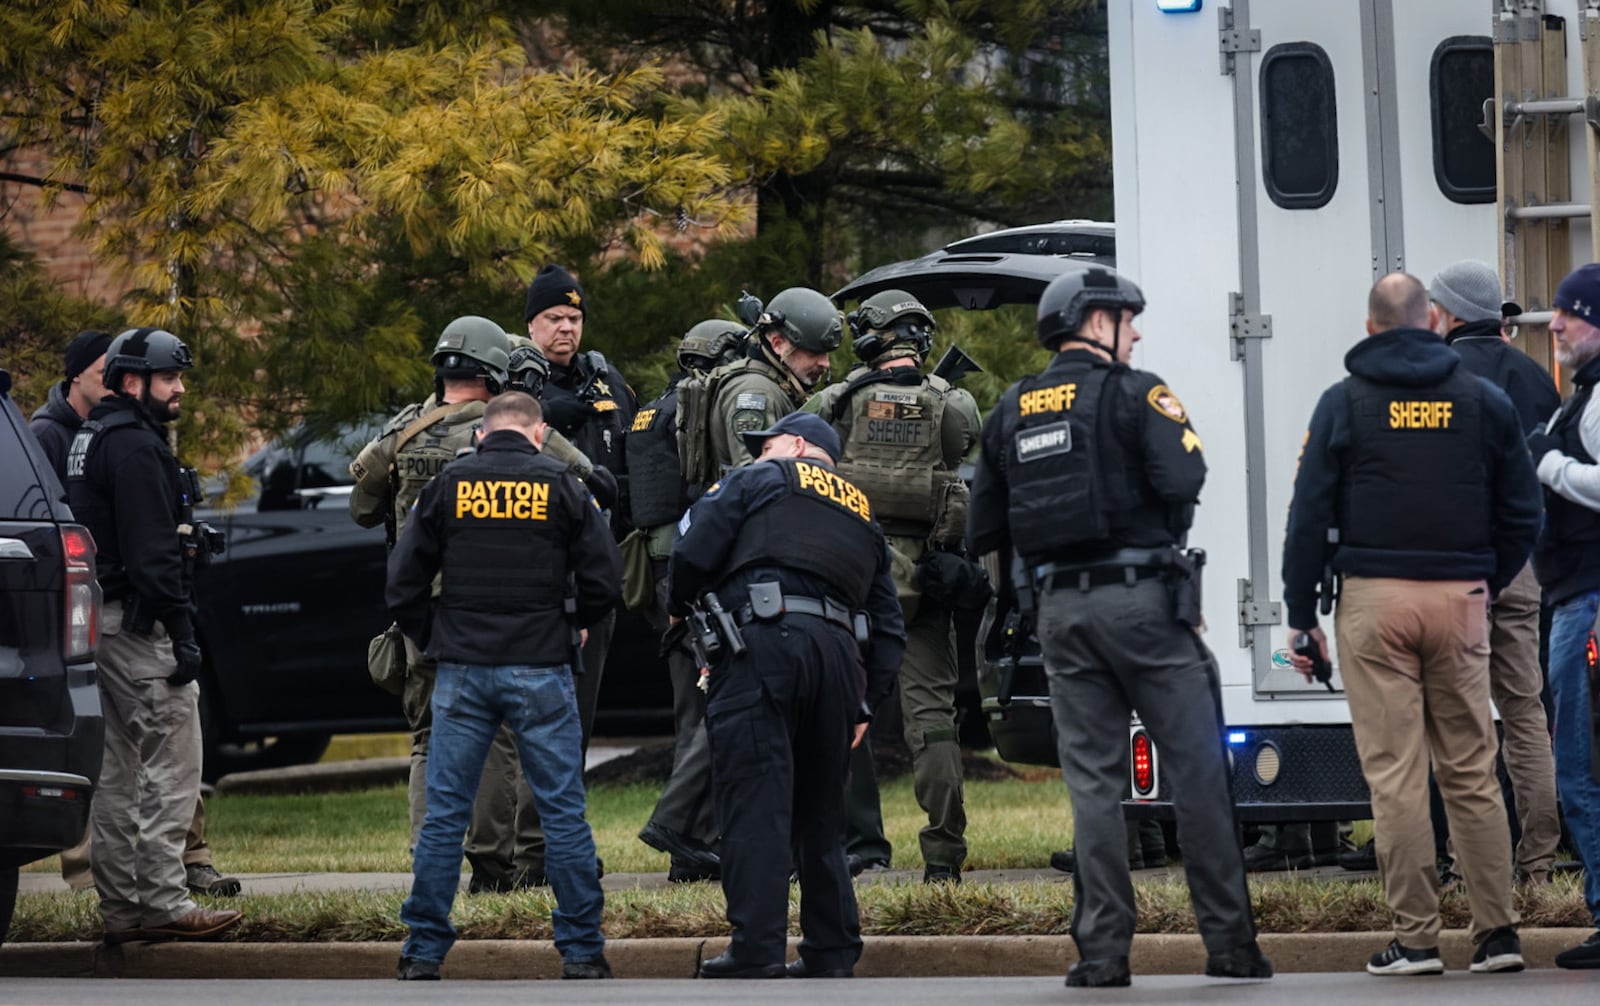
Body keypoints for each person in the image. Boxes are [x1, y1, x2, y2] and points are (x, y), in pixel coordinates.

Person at [967, 263, 1270, 987]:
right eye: (1127, 319)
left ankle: (1102, 954)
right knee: (1197, 771)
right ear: (1096, 323)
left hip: (1062, 616)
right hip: (1144, 605)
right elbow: (1186, 479)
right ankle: (1228, 946)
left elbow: (986, 527)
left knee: (1094, 787)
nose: (1136, 332)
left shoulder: (1011, 408)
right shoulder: (1139, 393)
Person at [1284, 272, 1539, 976]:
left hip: (1374, 601)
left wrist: (1302, 617)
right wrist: (1482, 577)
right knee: (1471, 769)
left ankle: (1417, 941)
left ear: (1370, 329)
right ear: (1432, 321)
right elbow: (1525, 512)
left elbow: (1307, 519)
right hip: (1459, 598)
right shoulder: (1483, 401)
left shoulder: (1344, 404)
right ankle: (1497, 936)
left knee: (1396, 775)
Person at [387, 391, 620, 981]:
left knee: (445, 816)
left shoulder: (448, 484)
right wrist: (574, 627)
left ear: (483, 435)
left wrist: (435, 636)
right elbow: (604, 578)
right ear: (539, 434)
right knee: (563, 812)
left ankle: (422, 953)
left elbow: (403, 580)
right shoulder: (563, 484)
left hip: (462, 666)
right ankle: (583, 952)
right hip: (541, 665)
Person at [668, 411, 906, 979]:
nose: (757, 453)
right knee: (822, 814)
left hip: (763, 647)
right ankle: (830, 950)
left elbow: (693, 550)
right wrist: (865, 702)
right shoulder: (861, 511)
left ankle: (756, 950)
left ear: (796, 445)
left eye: (765, 443)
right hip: (839, 662)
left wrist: (678, 607)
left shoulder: (760, 479)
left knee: (754, 802)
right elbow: (889, 624)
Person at [32, 329, 241, 897]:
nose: (180, 390)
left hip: (102, 622)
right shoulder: (131, 445)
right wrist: (182, 630)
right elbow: (151, 555)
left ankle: (122, 904)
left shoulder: (92, 436)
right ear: (133, 381)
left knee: (117, 772)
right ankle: (164, 900)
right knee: (174, 762)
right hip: (137, 626)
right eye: (169, 378)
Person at [804, 289, 982, 884]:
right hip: (926, 582)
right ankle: (943, 858)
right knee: (931, 721)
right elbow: (961, 452)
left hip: (848, 580)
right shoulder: (951, 403)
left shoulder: (835, 400)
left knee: (833, 713)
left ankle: (830, 851)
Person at [349, 316, 515, 883]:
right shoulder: (505, 431)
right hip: (488, 609)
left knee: (427, 737)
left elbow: (362, 509)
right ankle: (492, 862)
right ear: (495, 371)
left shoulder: (404, 433)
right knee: (495, 733)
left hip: (421, 611)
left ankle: (430, 863)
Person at [1429, 260, 1561, 887]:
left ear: (1451, 313)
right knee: (1526, 711)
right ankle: (1539, 865)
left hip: (1458, 567)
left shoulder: (1437, 377)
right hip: (1525, 566)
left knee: (1462, 722)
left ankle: (1468, 868)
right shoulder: (1537, 377)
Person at [630, 320, 746, 882]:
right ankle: (692, 847)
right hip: (692, 574)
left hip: (657, 571)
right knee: (711, 708)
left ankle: (690, 848)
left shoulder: (649, 409)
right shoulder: (694, 410)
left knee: (689, 708)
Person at [523, 264, 636, 761]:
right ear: (531, 324)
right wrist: (544, 412)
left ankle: (559, 823)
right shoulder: (513, 379)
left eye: (574, 317)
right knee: (527, 710)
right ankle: (521, 828)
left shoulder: (606, 378)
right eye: (553, 317)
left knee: (580, 708)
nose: (566, 327)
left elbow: (634, 456)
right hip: (534, 566)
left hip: (594, 564)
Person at [1526, 261, 1600, 969]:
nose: (1554, 324)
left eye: (1569, 312)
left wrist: (1548, 464)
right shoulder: (1579, 395)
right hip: (1574, 597)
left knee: (1580, 768)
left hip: (1589, 601)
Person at [705, 287, 841, 472]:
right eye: (814, 353)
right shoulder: (755, 392)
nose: (825, 363)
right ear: (778, 344)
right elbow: (756, 479)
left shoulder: (783, 385)